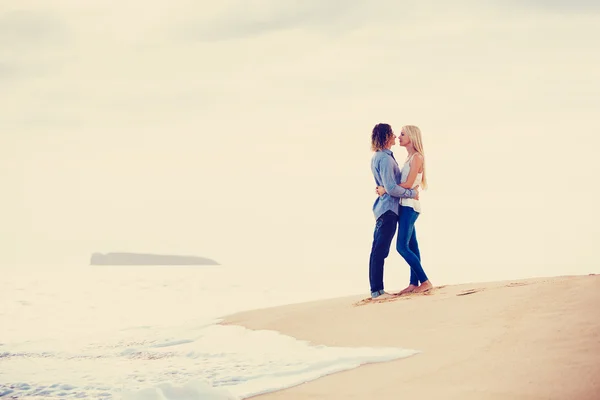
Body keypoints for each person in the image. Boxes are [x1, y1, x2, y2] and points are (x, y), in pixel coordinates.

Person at [376, 125, 432, 294]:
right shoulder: (409, 158)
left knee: (401, 246)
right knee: (412, 245)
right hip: (404, 204)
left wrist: (386, 189)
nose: (398, 137)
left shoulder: (417, 158)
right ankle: (414, 283)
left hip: (410, 206)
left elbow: (408, 185)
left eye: (402, 134)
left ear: (412, 137)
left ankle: (425, 281)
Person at [369, 123, 419, 300]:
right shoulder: (384, 159)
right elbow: (391, 188)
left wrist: (385, 189)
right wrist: (412, 192)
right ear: (385, 137)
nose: (395, 136)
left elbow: (387, 186)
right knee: (380, 250)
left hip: (388, 208)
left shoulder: (383, 157)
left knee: (381, 249)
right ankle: (377, 291)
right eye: (392, 134)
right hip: (388, 209)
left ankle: (413, 282)